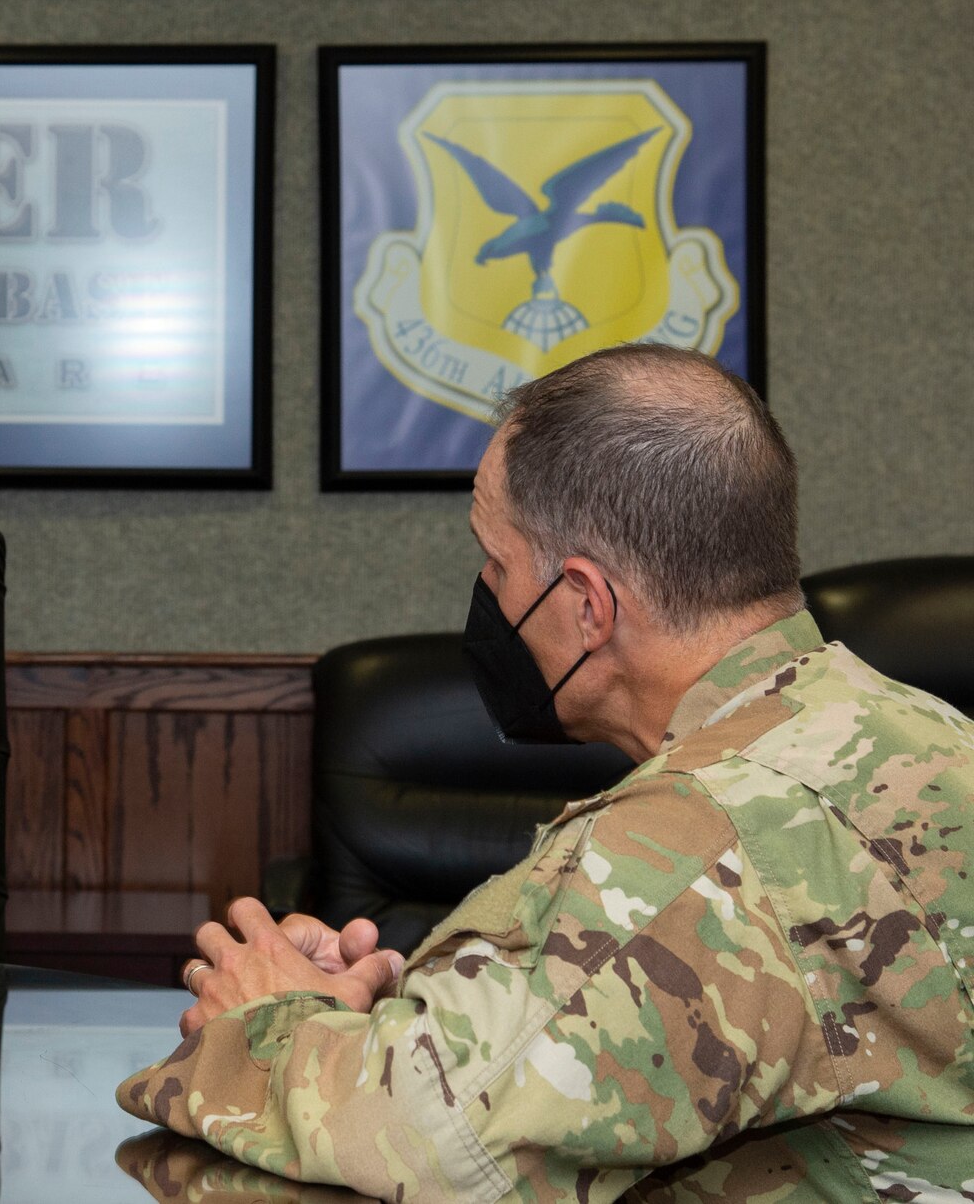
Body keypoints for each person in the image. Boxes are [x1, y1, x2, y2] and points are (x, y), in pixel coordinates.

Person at [120, 344, 974, 1199]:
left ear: (588, 604)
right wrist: (375, 1025)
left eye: (496, 563)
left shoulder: (701, 846)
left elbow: (440, 1143)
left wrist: (268, 1015)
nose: (487, 594)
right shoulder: (923, 728)